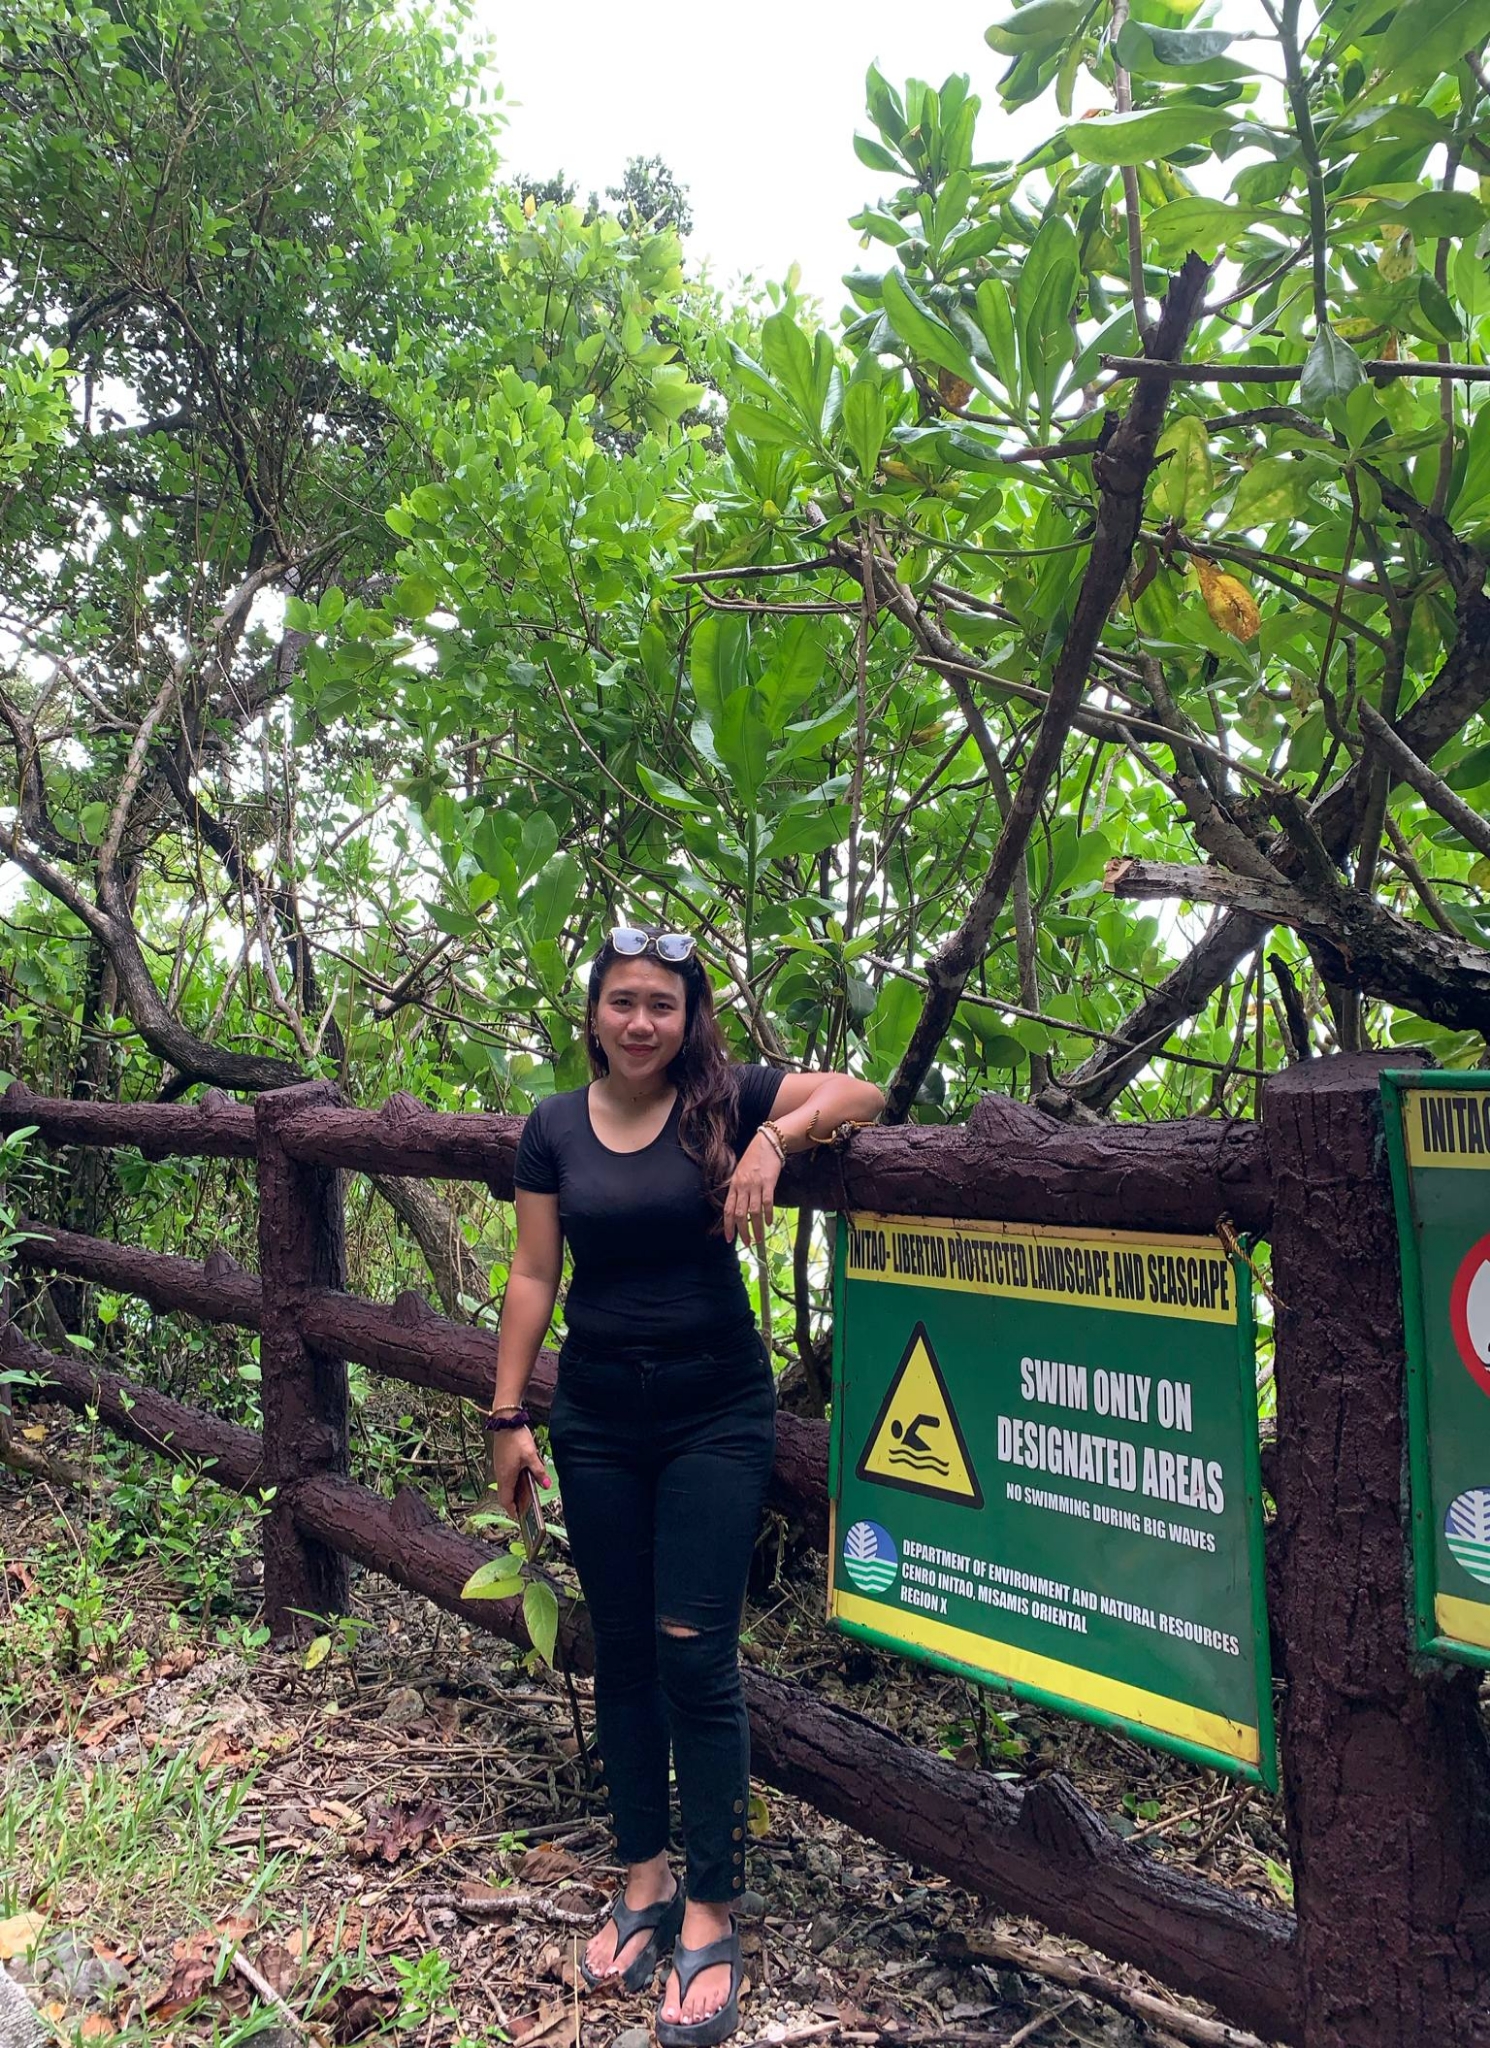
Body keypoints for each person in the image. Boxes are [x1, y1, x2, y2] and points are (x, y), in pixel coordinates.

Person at [486, 926, 884, 2046]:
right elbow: (533, 1271)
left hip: (714, 1410)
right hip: (598, 1417)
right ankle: (644, 1876)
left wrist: (776, 1138)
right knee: (621, 1648)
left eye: (662, 1003)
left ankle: (711, 1903)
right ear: (594, 1012)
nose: (641, 1022)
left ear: (688, 1015)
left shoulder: (723, 1099)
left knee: (692, 1654)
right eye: (622, 1001)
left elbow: (865, 1091)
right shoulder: (552, 1128)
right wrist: (507, 1413)